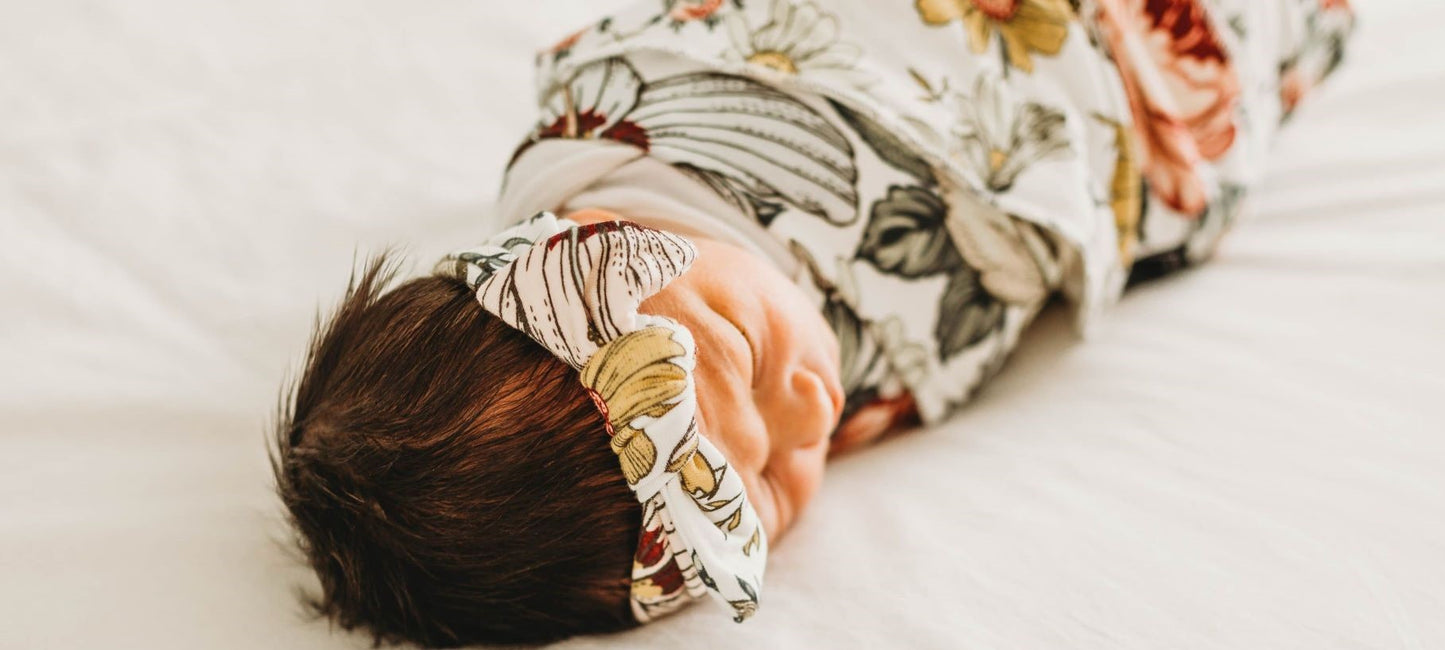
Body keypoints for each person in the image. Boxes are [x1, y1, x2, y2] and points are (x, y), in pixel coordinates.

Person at [271, 0, 1355, 645]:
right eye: (764, 501)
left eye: (744, 364)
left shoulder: (686, 122)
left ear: (592, 235)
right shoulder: (692, 358)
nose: (809, 414)